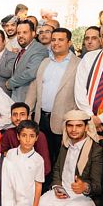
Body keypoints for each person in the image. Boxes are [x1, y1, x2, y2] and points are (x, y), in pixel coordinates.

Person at [34, 110, 103, 206]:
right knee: (40, 203)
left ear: (86, 127)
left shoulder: (96, 150)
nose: (74, 130)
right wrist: (57, 187)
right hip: (63, 191)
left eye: (79, 126)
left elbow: (98, 186)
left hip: (85, 197)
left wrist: (85, 187)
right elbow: (57, 169)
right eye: (70, 125)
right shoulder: (65, 145)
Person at [28, 27, 81, 164]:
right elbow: (34, 87)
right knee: (41, 158)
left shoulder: (78, 64)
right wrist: (28, 111)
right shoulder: (45, 62)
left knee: (60, 160)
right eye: (53, 40)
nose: (56, 43)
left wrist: (74, 121)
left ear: (69, 43)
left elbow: (81, 94)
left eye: (60, 40)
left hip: (63, 121)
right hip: (41, 119)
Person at [6, 120, 46, 206]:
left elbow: (38, 185)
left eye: (31, 136)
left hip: (26, 205)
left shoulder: (38, 160)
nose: (28, 140)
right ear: (18, 136)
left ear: (36, 138)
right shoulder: (10, 154)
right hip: (10, 201)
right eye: (24, 135)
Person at [0, 102, 51, 179]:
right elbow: (1, 154)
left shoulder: (39, 135)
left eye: (22, 114)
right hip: (12, 175)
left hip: (33, 177)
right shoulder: (8, 133)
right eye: (15, 115)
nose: (18, 118)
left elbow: (46, 168)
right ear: (11, 117)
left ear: (28, 116)